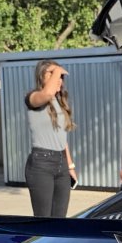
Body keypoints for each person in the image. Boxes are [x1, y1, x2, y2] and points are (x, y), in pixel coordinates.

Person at [24, 59, 77, 217]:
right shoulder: (33, 97)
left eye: (61, 76)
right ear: (41, 77)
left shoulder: (59, 103)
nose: (58, 79)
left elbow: (62, 137)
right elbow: (46, 93)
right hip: (41, 164)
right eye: (52, 74)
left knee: (60, 220)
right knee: (43, 220)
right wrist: (58, 69)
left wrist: (70, 166)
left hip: (61, 163)